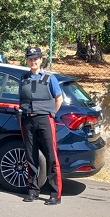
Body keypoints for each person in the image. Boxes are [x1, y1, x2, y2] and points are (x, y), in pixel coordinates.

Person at [19, 46, 63, 205]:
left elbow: (59, 99)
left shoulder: (50, 78)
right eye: (30, 58)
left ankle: (55, 194)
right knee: (31, 156)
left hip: (45, 119)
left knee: (51, 157)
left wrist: (51, 114)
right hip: (27, 120)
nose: (33, 61)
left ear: (41, 59)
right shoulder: (23, 78)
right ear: (27, 60)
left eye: (36, 58)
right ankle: (33, 190)